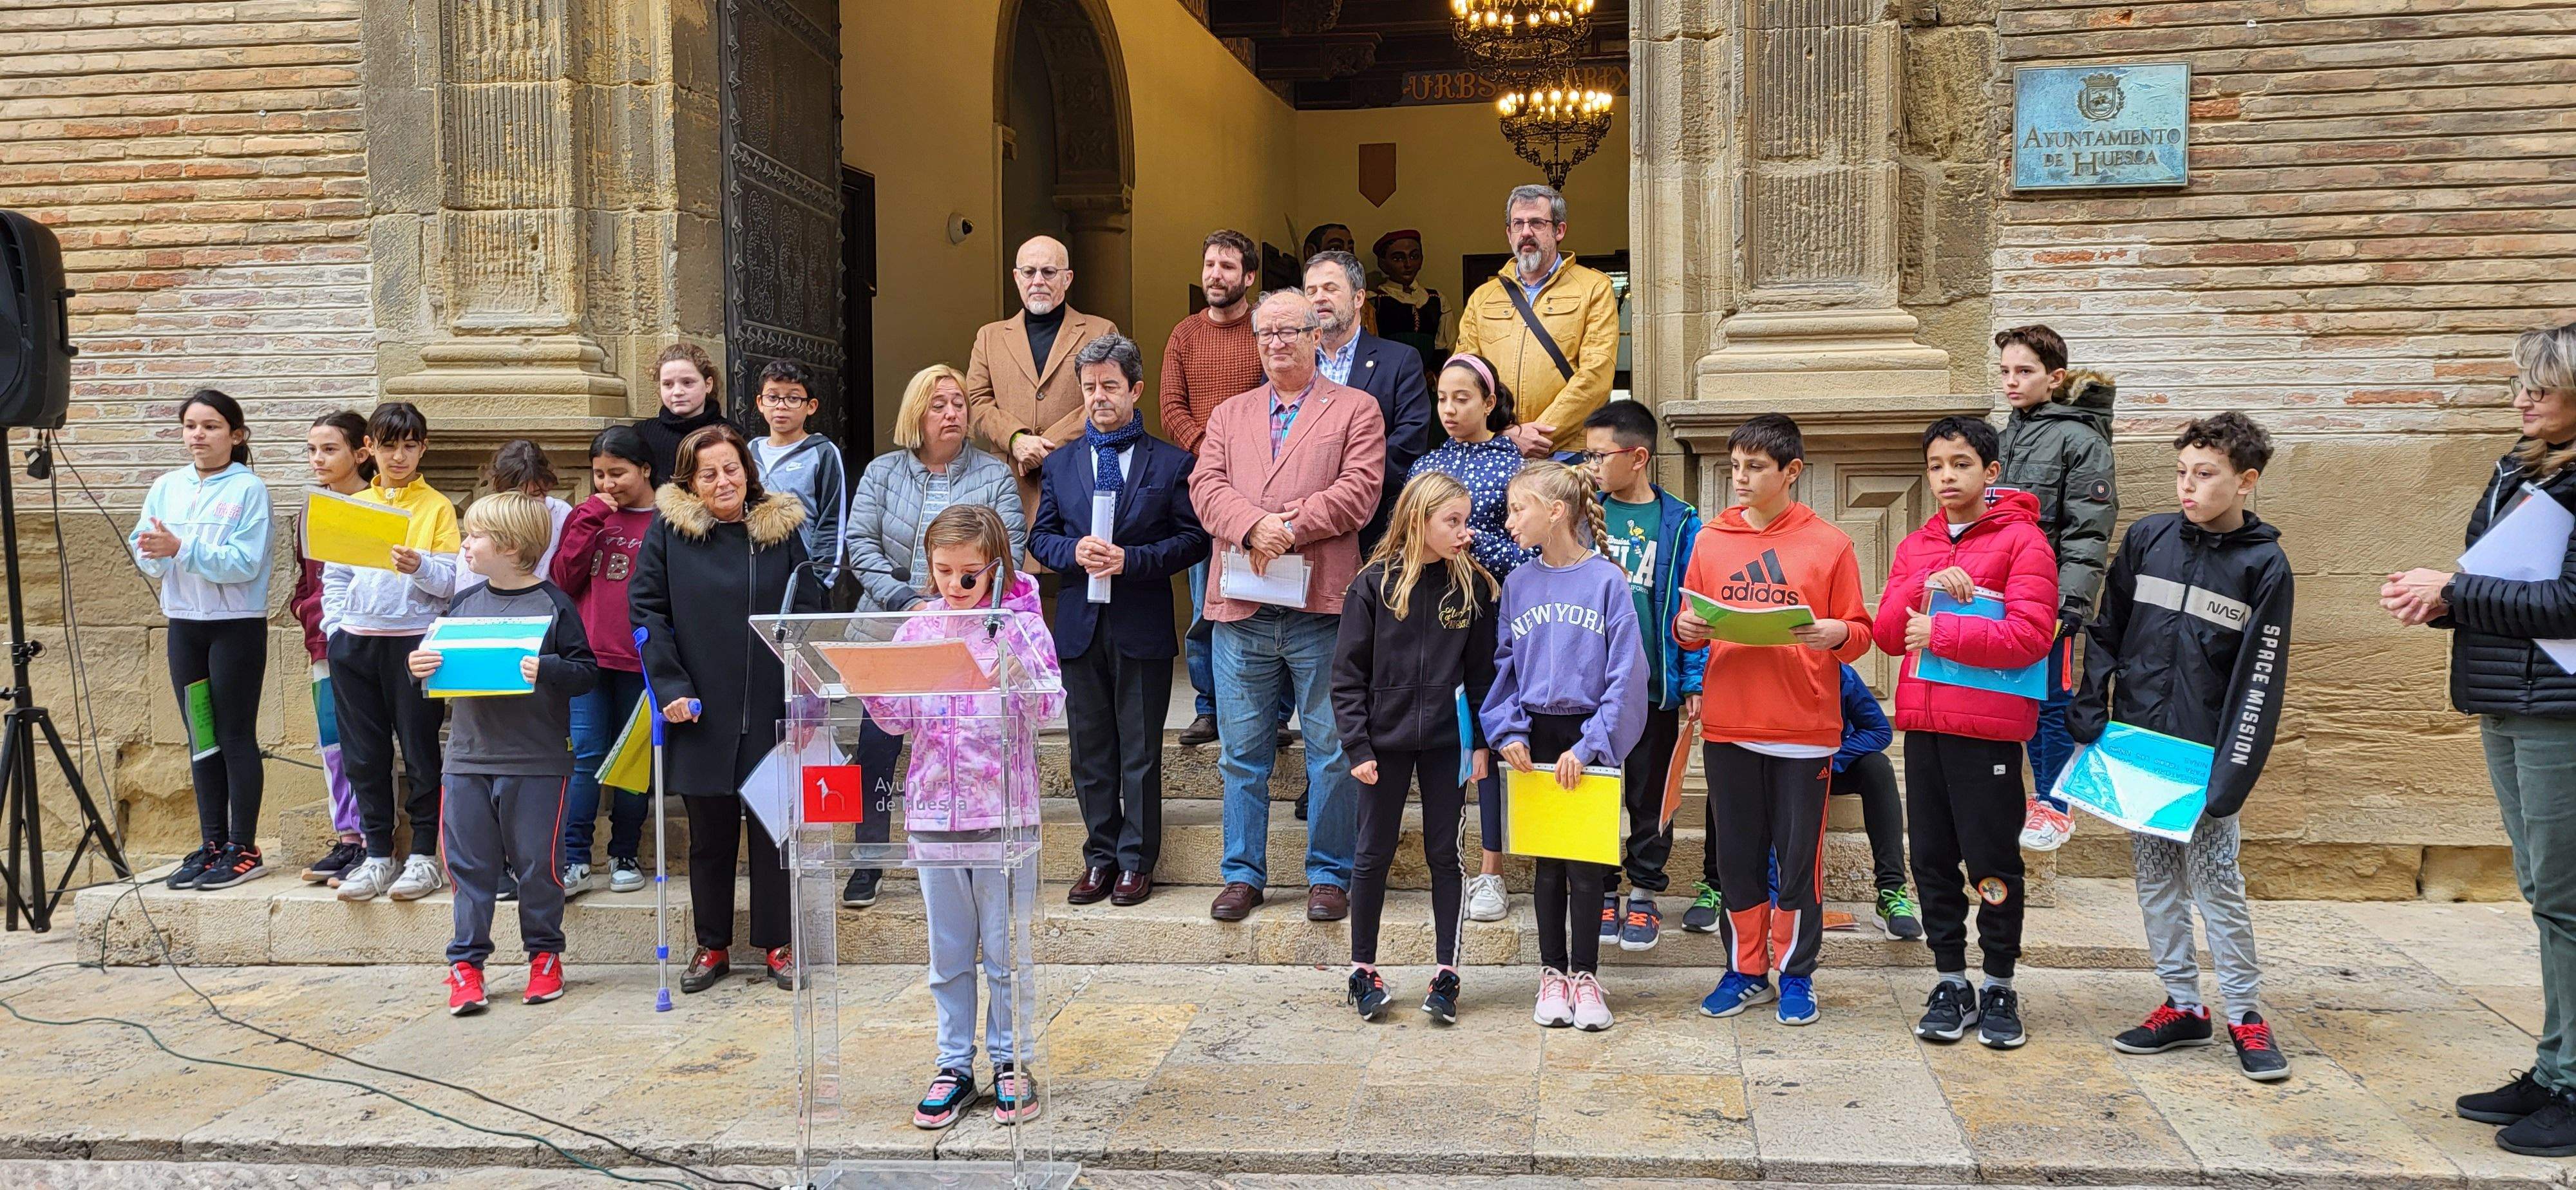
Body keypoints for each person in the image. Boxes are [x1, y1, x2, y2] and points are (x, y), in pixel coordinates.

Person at [2383, 322, 2576, 1156]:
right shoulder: (2519, 468)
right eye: (2519, 384)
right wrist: (2445, 601)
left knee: (2568, 901)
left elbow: (2568, 603)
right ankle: (2555, 1065)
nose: (2524, 397)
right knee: (2545, 892)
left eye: (2543, 384)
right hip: (2506, 696)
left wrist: (2458, 587)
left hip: (2562, 709)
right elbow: (2512, 582)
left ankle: (2573, 1083)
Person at [2084, 413, 2293, 1082]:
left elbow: (2260, 678)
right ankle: (2182, 1005)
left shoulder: (2264, 565)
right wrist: (2090, 701)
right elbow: (2108, 627)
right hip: (2141, 744)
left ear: (2245, 482)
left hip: (2206, 756)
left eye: (2205, 476)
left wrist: (2233, 773)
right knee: (2154, 880)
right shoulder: (2148, 539)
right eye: (2182, 473)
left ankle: (2244, 1013)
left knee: (2217, 884)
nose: (2188, 487)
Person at [1188, 289, 1387, 923]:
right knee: (1241, 750)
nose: (1275, 344)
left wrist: (1287, 528)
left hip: (1321, 608)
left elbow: (1358, 493)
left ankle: (1328, 873)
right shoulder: (1228, 414)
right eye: (1264, 334)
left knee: (1331, 748)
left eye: (1288, 332)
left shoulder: (1356, 408)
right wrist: (1252, 527)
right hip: (1243, 609)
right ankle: (1242, 873)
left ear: (1315, 333)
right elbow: (1205, 488)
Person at [865, 504, 1063, 1131]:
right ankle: (954, 1063)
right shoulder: (919, 626)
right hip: (933, 809)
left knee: (1006, 951)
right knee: (948, 952)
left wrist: (1011, 662)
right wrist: (869, 685)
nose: (955, 585)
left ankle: (1010, 1060)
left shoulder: (1021, 626)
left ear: (997, 570)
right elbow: (896, 719)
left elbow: (1049, 707)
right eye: (943, 571)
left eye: (969, 575)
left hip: (1004, 814)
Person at [1868, 417, 2058, 1050]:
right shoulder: (1917, 545)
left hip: (1988, 736)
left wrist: (1945, 632)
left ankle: (1999, 984)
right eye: (1936, 466)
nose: (1946, 477)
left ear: (1991, 472)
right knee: (1930, 861)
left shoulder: (2024, 544)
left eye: (1960, 464)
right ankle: (1951, 981)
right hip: (1924, 728)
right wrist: (1922, 590)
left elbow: (2032, 637)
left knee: (1993, 864)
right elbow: (1889, 635)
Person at [1678, 414, 1873, 1029]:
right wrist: (1688, 632)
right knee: (1736, 860)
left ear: (1791, 472)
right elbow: (1689, 627)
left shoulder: (1830, 544)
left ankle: (1796, 976)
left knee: (1796, 864)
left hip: (1803, 728)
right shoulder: (1710, 540)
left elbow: (1862, 632)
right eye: (1735, 466)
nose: (1740, 478)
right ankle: (1744, 972)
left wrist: (1836, 632)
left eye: (1755, 467)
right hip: (1731, 724)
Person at [631, 423, 826, 994]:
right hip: (698, 707)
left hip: (771, 704)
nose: (723, 481)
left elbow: (808, 607)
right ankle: (712, 945)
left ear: (749, 471)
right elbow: (646, 611)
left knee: (775, 831)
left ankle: (778, 944)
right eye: (709, 472)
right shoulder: (670, 533)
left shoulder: (781, 531)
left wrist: (805, 687)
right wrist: (669, 688)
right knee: (709, 836)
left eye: (732, 469)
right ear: (689, 481)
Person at [1030, 335, 1210, 907]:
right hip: (1081, 626)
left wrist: (1132, 560)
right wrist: (1073, 554)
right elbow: (1040, 538)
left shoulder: (1171, 462)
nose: (1099, 398)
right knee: (1090, 751)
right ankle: (1100, 856)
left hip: (1141, 624)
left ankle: (1137, 861)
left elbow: (1192, 540)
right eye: (1089, 388)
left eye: (1110, 386)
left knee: (1139, 750)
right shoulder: (1060, 464)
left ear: (1135, 389)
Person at [406, 493, 598, 1015]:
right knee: (469, 868)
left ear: (511, 547)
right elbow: (436, 670)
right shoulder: (463, 605)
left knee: (540, 866)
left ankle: (545, 958)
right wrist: (419, 666)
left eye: (474, 537)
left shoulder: (555, 605)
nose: (465, 545)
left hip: (537, 763)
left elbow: (586, 673)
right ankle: (466, 966)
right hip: (467, 760)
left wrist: (551, 669)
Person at [842, 363, 1025, 907]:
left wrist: (948, 603)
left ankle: (968, 851)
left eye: (959, 403)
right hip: (887, 628)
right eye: (939, 404)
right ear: (915, 415)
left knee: (958, 746)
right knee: (875, 749)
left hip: (967, 638)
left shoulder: (993, 475)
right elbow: (861, 546)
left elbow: (1007, 544)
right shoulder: (882, 472)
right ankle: (868, 858)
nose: (952, 413)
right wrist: (912, 603)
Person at [1482, 461, 1647, 1032]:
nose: (1509, 522)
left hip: (1589, 737)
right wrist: (1508, 732)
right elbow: (1502, 667)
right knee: (1546, 865)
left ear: (1555, 512)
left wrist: (1595, 743)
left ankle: (1585, 976)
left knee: (1586, 867)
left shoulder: (1607, 581)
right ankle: (1551, 975)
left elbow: (1627, 674)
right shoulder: (1520, 585)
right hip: (1537, 737)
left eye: (1517, 509)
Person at [1334, 471, 1498, 1025]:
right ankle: (1362, 971)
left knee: (1444, 856)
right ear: (1418, 519)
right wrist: (1357, 746)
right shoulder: (1372, 584)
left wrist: (1480, 745)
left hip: (1448, 745)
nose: (1464, 532)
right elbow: (1347, 676)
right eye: (1452, 521)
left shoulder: (1472, 586)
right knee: (1371, 854)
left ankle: (1447, 974)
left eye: (1465, 520)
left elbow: (1481, 674)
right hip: (1383, 743)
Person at [1408, 353, 1535, 922]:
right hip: (1439, 615)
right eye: (1443, 400)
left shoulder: (1517, 465)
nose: (1451, 410)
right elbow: (1410, 538)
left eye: (1464, 399)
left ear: (1490, 402)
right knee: (1450, 734)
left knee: (1491, 730)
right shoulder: (1427, 465)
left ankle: (1491, 870)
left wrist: (1470, 543)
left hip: (1497, 615)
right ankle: (1447, 859)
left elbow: (1528, 547)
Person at [131, 390, 274, 891]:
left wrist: (181, 547)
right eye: (191, 425)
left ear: (236, 435)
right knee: (201, 737)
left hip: (234, 626)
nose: (199, 435)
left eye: (211, 426)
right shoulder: (167, 486)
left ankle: (244, 846)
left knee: (235, 736)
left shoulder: (249, 489)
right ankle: (212, 842)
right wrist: (154, 553)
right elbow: (143, 547)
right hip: (185, 626)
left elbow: (246, 563)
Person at [327, 401, 462, 903]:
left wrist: (419, 567)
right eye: (388, 446)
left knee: (421, 751)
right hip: (356, 643)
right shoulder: (354, 505)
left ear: (423, 448)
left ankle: (425, 855)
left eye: (409, 446)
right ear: (370, 450)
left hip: (413, 642)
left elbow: (451, 584)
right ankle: (377, 853)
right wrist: (336, 630)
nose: (399, 457)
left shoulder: (438, 508)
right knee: (363, 755)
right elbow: (335, 574)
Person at [1582, 401, 1703, 952]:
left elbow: (1695, 608)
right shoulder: (1583, 515)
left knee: (1651, 798)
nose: (1590, 466)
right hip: (1592, 689)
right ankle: (1602, 888)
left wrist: (1694, 681)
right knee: (1598, 792)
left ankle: (1646, 893)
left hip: (1652, 688)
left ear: (1638, 457)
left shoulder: (1681, 522)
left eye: (1599, 455)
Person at [1991, 325, 2117, 853]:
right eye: (2005, 372)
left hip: (2049, 596)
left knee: (2050, 700)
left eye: (2024, 372)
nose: (2012, 383)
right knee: (2007, 697)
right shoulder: (2004, 436)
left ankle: (2057, 804)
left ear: (2055, 377)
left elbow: (2089, 528)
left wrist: (2071, 599)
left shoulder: (2082, 440)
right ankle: (2023, 799)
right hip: (1999, 592)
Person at [1161, 230, 1270, 748]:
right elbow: (1170, 407)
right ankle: (1209, 708)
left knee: (1270, 599)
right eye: (1209, 265)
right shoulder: (1184, 335)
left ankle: (1268, 712)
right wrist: (1213, 451)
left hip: (1264, 487)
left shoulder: (1266, 331)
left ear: (1249, 277)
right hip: (1204, 490)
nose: (1214, 275)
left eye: (1227, 267)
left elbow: (1278, 397)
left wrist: (1243, 457)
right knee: (1210, 600)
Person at [551, 426, 659, 897]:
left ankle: (624, 852)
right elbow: (563, 579)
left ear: (646, 471)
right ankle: (575, 857)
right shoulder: (587, 515)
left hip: (642, 659)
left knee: (631, 759)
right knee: (588, 755)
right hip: (588, 660)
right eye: (599, 475)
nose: (608, 484)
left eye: (618, 473)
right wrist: (590, 518)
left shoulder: (666, 520)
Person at [1452, 184, 1621, 457]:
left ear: (1559, 230)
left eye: (1537, 223)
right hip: (1495, 451)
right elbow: (1463, 377)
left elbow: (1596, 377)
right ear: (1509, 234)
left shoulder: (1594, 288)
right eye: (1518, 224)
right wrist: (1507, 436)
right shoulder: (1482, 298)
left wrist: (1537, 436)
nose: (1526, 232)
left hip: (1566, 454)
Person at [966, 234, 1117, 515]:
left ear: (1068, 278)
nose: (1038, 281)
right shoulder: (990, 337)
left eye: (1049, 272)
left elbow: (1106, 399)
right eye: (1029, 272)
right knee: (1011, 557)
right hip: (1009, 481)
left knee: (1072, 557)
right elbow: (976, 401)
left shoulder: (1100, 333)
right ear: (1016, 277)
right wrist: (1017, 440)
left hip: (1077, 474)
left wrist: (1047, 447)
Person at [292, 411, 374, 885]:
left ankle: (373, 840)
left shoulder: (376, 504)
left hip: (367, 642)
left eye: (329, 449)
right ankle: (347, 839)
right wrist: (307, 612)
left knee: (367, 744)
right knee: (333, 746)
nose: (318, 459)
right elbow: (307, 578)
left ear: (360, 453)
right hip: (323, 643)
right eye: (312, 450)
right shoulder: (311, 508)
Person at [1306, 249, 1430, 553]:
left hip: (1373, 527)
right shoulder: (1289, 364)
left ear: (1359, 298)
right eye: (1311, 291)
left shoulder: (1400, 360)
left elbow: (1409, 441)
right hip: (1301, 523)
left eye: (1330, 288)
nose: (1319, 298)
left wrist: (1348, 489)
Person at [1828, 662, 1917, 940]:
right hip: (1782, 771)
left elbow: (1879, 730)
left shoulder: (1840, 673)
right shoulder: (1767, 675)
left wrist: (1832, 759)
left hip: (1829, 766)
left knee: (1878, 767)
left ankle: (1892, 894)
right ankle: (1747, 893)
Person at [750, 359, 847, 581]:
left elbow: (831, 520)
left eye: (793, 398)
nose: (781, 406)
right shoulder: (749, 450)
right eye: (773, 397)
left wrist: (822, 579)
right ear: (760, 402)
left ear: (811, 406)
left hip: (800, 572)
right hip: (756, 569)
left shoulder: (823, 453)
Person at [458, 440, 573, 599]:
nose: (523, 504)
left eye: (534, 495)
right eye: (514, 496)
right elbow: (469, 579)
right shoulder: (489, 517)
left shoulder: (561, 513)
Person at [635, 343, 729, 487]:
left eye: (687, 382)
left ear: (708, 384)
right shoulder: (641, 433)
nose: (677, 391)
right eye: (668, 384)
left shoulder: (731, 433)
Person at [1368, 230, 1450, 382]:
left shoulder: (1437, 299)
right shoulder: (1374, 301)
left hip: (1429, 383)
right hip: (1390, 380)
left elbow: (1444, 347)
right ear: (1383, 263)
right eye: (1398, 259)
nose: (1408, 264)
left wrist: (1433, 372)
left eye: (1414, 256)